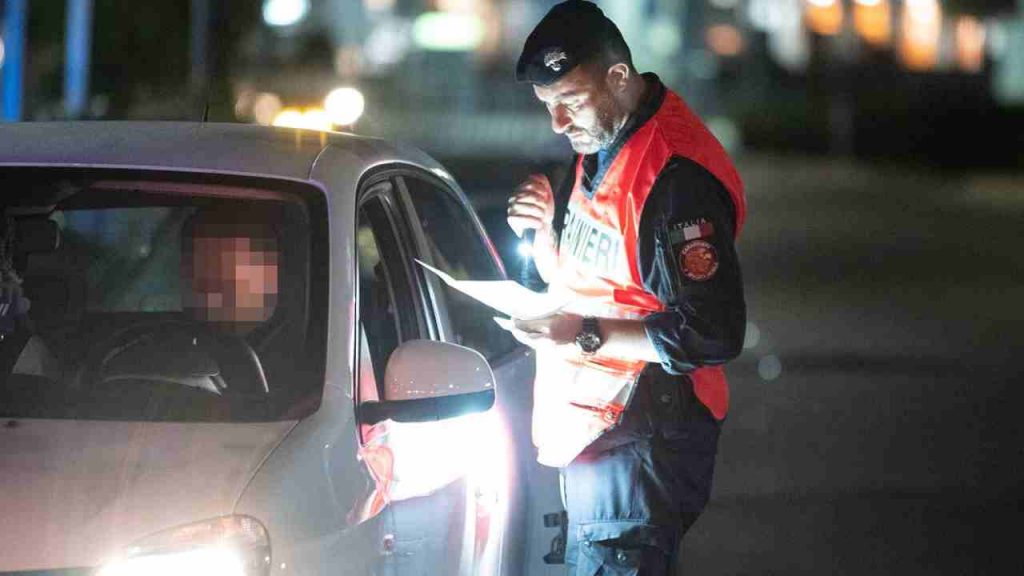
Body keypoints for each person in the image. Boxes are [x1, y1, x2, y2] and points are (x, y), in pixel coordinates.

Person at [505, 1, 747, 574]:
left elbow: (712, 331)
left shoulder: (676, 177)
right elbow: (601, 277)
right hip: (604, 435)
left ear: (618, 78)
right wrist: (541, 237)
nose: (558, 124)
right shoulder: (604, 141)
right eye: (548, 107)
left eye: (569, 102)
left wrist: (583, 336)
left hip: (644, 438)